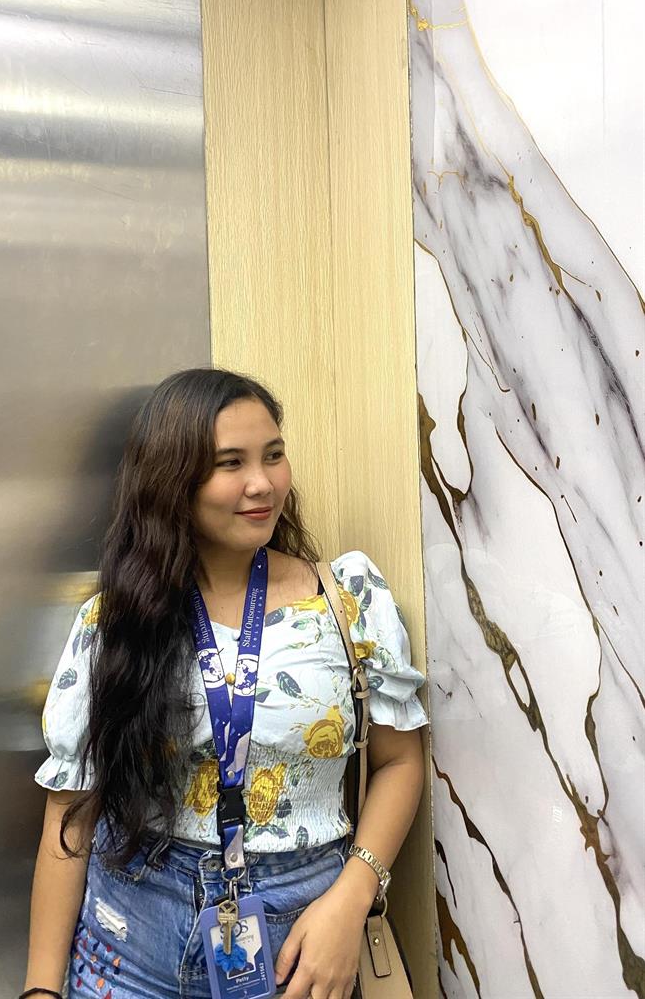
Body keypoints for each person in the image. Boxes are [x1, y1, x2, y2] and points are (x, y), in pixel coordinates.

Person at [23, 368, 428, 999]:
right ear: (173, 481)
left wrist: (353, 897)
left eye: (273, 455)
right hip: (129, 940)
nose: (261, 483)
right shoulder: (119, 622)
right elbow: (70, 815)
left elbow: (400, 761)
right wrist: (40, 991)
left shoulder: (346, 598)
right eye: (230, 463)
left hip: (302, 935)